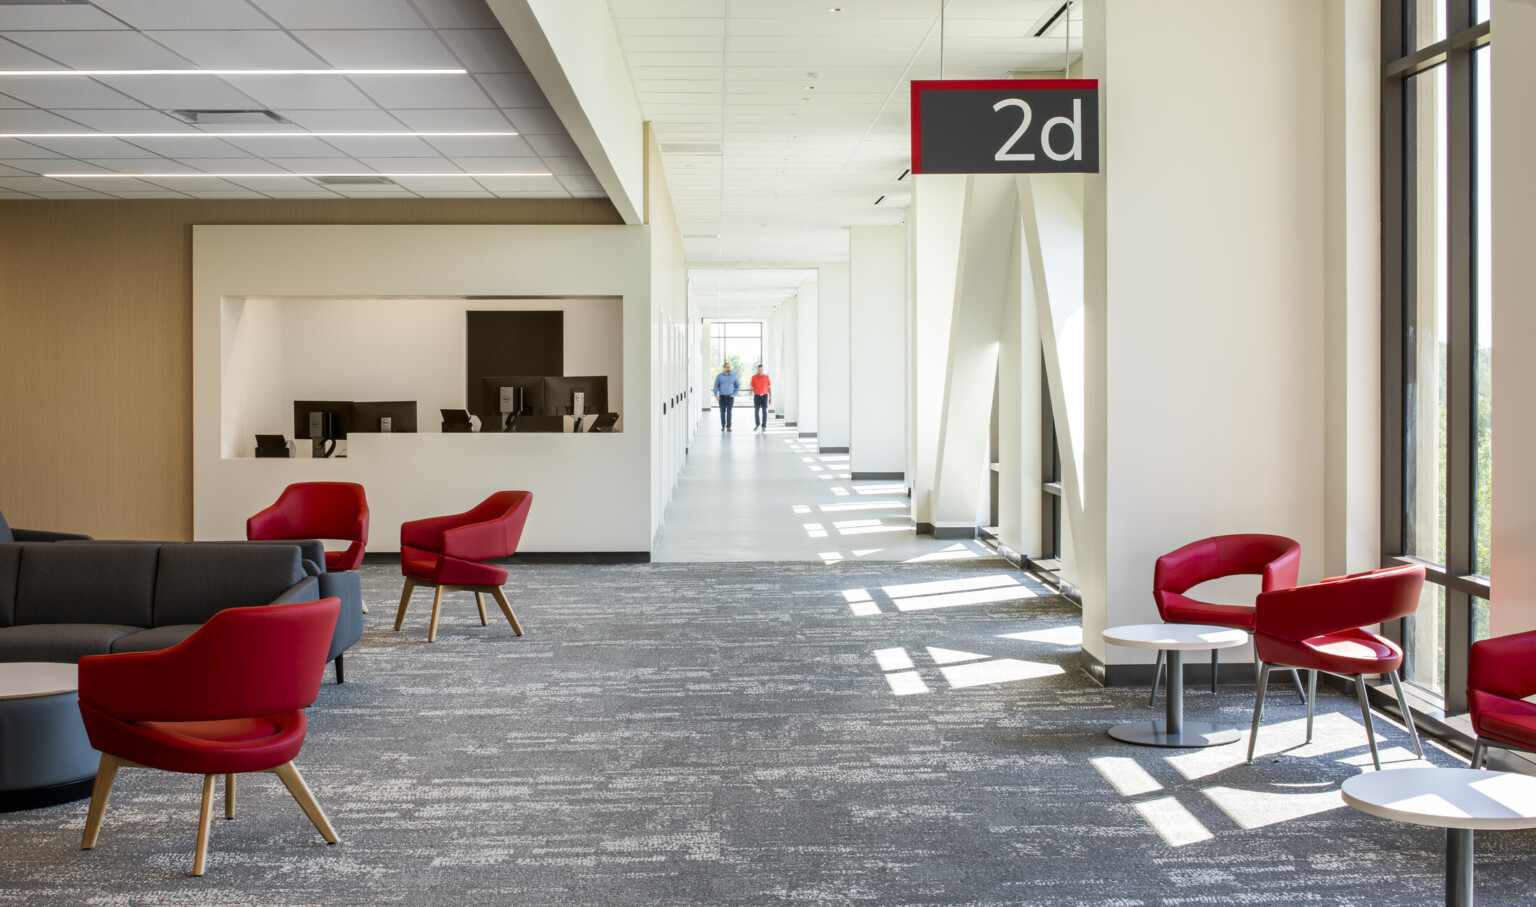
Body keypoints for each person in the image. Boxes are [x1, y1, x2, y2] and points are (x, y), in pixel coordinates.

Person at [712, 362, 739, 431]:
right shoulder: (719, 376)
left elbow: (737, 386)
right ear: (724, 368)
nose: (728, 368)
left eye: (729, 367)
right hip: (722, 397)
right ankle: (723, 426)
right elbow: (715, 386)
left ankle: (729, 426)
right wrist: (716, 395)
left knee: (729, 412)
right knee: (722, 412)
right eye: (727, 367)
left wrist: (734, 394)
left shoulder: (733, 376)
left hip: (730, 397)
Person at [750, 365, 771, 431]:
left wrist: (770, 398)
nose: (760, 371)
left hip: (765, 396)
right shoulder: (754, 377)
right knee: (756, 411)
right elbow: (752, 387)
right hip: (757, 396)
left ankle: (764, 426)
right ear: (757, 370)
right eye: (759, 370)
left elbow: (769, 388)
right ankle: (757, 424)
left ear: (763, 370)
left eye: (761, 370)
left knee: (764, 411)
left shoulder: (766, 377)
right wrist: (750, 394)